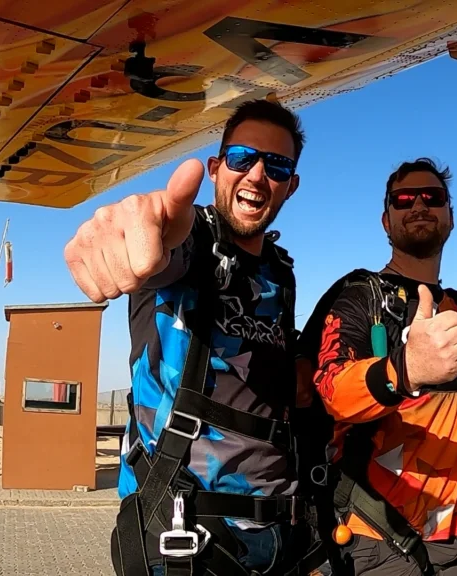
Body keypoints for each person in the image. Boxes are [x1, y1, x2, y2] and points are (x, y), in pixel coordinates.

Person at [63, 99, 326, 576]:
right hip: (187, 534)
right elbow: (159, 240)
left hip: (275, 534)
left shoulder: (280, 273)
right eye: (243, 157)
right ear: (215, 168)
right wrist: (137, 230)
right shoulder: (191, 243)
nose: (257, 174)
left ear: (292, 185)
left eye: (278, 165)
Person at [296, 158, 457, 576]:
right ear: (386, 221)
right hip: (378, 538)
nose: (419, 205)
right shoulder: (360, 296)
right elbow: (329, 390)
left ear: (451, 217)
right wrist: (403, 371)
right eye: (404, 199)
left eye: (433, 197)